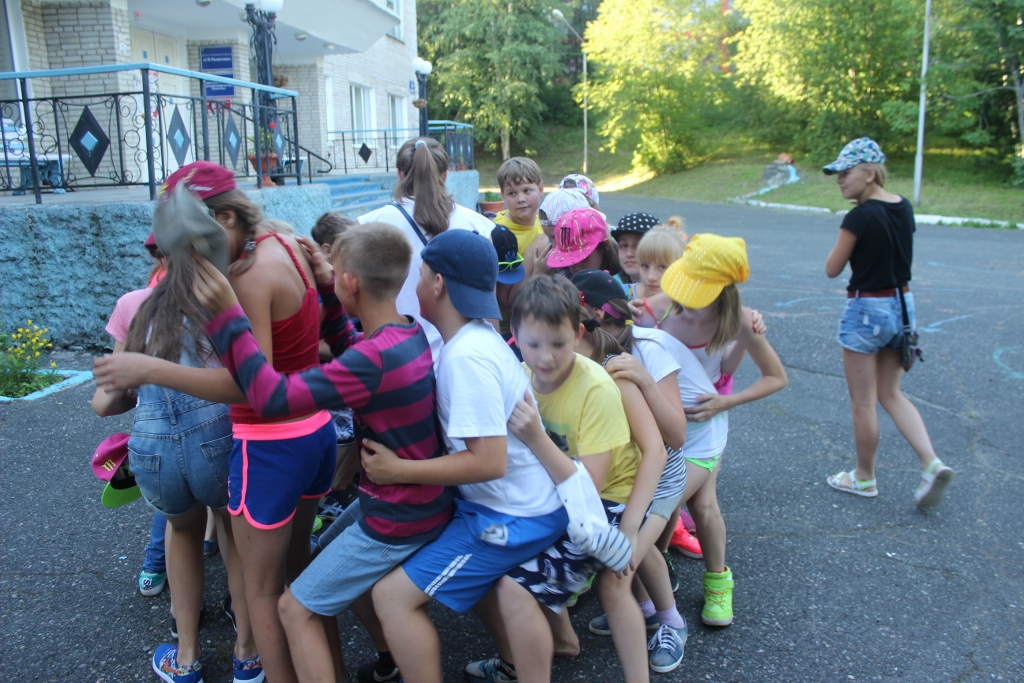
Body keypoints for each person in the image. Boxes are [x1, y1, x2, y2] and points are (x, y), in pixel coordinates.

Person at [93, 161, 332, 683]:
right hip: (303, 432)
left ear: (223, 219)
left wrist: (148, 369)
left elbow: (253, 384)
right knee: (296, 572)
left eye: (191, 243)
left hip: (256, 446)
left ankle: (237, 663)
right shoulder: (281, 244)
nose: (192, 260)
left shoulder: (240, 280)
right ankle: (291, 662)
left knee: (255, 584)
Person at [190, 222, 454, 683]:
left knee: (294, 608)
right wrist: (331, 291)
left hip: (398, 517)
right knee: (319, 558)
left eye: (335, 274)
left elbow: (270, 395)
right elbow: (349, 341)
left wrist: (226, 317)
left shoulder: (370, 361)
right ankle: (385, 658)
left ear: (351, 282)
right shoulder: (406, 335)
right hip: (413, 502)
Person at [361, 230, 620, 683]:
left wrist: (398, 470)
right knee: (475, 580)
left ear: (438, 283)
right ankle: (518, 664)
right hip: (507, 504)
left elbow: (488, 463)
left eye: (421, 274)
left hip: (513, 517)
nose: (415, 285)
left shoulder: (467, 358)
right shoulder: (478, 336)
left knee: (392, 597)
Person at [92, 248, 259, 683]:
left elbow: (105, 403)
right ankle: (247, 654)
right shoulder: (222, 298)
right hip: (217, 436)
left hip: (152, 447)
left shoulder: (133, 305)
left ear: (157, 253)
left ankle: (186, 657)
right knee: (233, 535)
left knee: (181, 531)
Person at [651, 233, 788, 627]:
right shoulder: (658, 308)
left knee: (677, 503)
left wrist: (726, 401)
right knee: (687, 503)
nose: (689, 297)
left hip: (703, 428)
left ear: (724, 289)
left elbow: (775, 377)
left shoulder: (739, 320)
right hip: (661, 425)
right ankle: (656, 580)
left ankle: (715, 585)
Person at [822, 137, 953, 507]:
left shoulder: (859, 217)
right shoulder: (903, 206)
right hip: (902, 307)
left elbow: (832, 268)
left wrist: (852, 230)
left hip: (867, 309)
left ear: (869, 173)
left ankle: (864, 477)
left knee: (863, 402)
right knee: (891, 393)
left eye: (846, 173)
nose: (839, 180)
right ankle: (931, 463)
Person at [357, 137, 494, 358]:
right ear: (445, 175)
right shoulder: (480, 226)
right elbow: (489, 311)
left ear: (399, 174)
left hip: (397, 359)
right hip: (465, 358)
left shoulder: (369, 226)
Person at [631, 222, 688, 326]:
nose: (651, 277)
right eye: (645, 266)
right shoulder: (620, 296)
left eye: (662, 267)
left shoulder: (688, 308)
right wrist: (619, 315)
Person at [546, 208, 623, 279]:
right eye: (567, 259)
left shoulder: (625, 277)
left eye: (583, 258)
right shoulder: (564, 277)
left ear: (605, 246)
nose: (575, 266)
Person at [610, 212, 660, 295]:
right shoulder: (611, 285)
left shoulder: (672, 288)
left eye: (638, 246)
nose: (629, 254)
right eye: (624, 245)